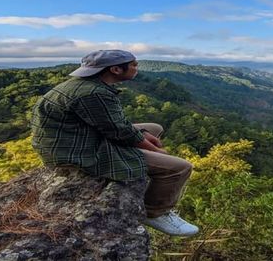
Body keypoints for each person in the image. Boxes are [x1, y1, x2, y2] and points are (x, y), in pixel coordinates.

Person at [30, 49, 199, 236]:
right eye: (134, 64)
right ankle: (154, 213)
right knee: (179, 167)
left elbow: (113, 124)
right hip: (77, 151)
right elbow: (120, 132)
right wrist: (158, 152)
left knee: (154, 128)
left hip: (75, 137)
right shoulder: (93, 94)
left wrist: (141, 133)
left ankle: (144, 170)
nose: (137, 68)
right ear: (116, 70)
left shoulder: (82, 85)